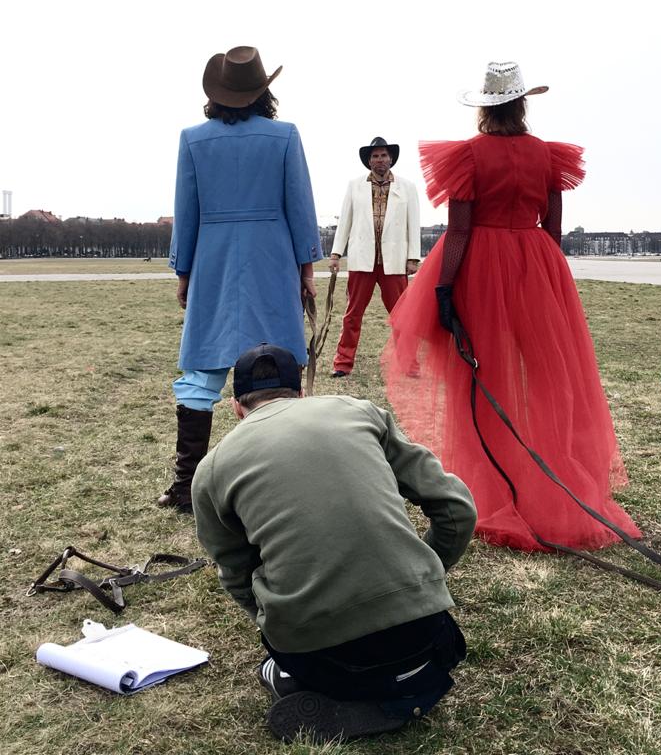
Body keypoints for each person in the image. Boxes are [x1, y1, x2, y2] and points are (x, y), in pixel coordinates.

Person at [383, 62, 641, 551]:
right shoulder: (547, 154)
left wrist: (444, 288)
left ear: (485, 107)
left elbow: (459, 230)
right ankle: (556, 478)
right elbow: (553, 227)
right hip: (536, 262)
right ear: (522, 104)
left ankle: (491, 484)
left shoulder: (467, 155)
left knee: (484, 377)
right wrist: (543, 277)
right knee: (550, 377)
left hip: (482, 265)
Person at [192, 343, 476, 743]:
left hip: (321, 657)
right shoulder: (360, 411)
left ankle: (312, 684)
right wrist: (426, 575)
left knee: (297, 662)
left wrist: (275, 622)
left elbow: (236, 573)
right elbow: (456, 508)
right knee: (418, 656)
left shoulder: (211, 470)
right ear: (301, 393)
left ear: (237, 408)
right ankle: (407, 689)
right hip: (428, 636)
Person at [158, 46, 322, 513]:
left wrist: (184, 272)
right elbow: (300, 205)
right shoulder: (285, 136)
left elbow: (186, 211)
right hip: (272, 258)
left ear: (217, 93)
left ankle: (186, 485)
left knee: (201, 369)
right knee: (277, 365)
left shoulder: (193, 140)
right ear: (262, 91)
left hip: (212, 260)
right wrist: (306, 269)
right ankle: (282, 481)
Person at [328, 136, 421, 377]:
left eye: (383, 155)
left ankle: (409, 364)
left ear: (391, 159)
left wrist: (413, 257)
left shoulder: (407, 187)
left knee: (402, 315)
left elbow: (413, 223)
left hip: (394, 261)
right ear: (369, 161)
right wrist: (336, 253)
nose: (380, 160)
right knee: (352, 315)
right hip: (362, 260)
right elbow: (345, 221)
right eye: (375, 156)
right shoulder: (355, 186)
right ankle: (342, 363)